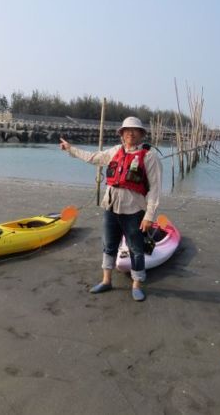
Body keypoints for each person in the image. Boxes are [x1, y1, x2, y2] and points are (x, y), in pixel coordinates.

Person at [60, 116, 162, 301]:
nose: (130, 133)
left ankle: (137, 284)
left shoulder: (149, 157)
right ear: (122, 134)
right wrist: (70, 149)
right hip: (111, 207)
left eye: (134, 130)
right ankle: (106, 281)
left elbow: (155, 189)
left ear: (141, 134)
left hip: (134, 211)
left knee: (136, 249)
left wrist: (149, 216)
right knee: (108, 245)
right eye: (127, 130)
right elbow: (93, 158)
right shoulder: (115, 151)